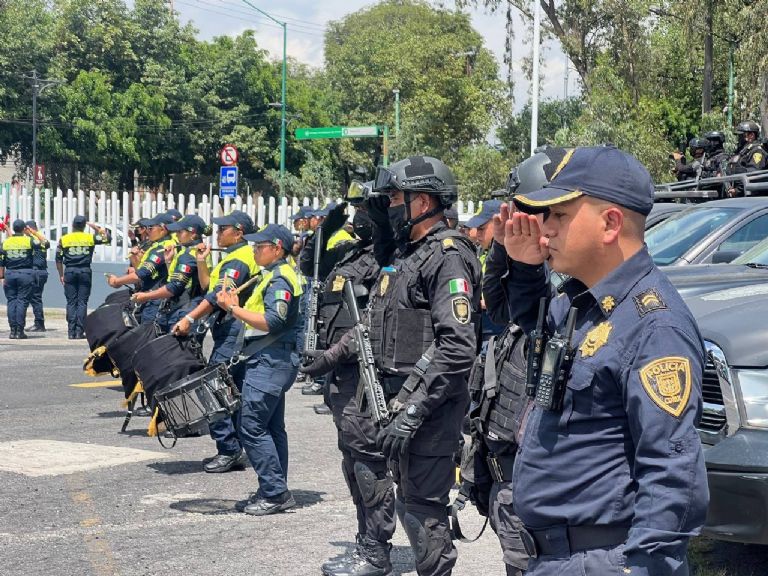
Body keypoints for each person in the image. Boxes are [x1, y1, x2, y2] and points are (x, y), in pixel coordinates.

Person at [498, 145, 708, 575]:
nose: (545, 230)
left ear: (610, 223)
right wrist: (524, 268)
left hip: (601, 560)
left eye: (559, 215)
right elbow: (537, 335)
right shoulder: (581, 301)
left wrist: (639, 568)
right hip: (558, 556)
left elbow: (673, 473)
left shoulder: (655, 325)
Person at [370, 155, 481, 575]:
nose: (392, 206)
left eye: (396, 198)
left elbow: (457, 346)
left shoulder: (447, 256)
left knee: (423, 509)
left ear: (423, 202)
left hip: (431, 409)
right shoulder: (412, 253)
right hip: (407, 403)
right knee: (410, 501)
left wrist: (414, 410)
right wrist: (380, 225)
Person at [299, 198, 395, 576]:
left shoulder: (386, 257)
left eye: (366, 212)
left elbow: (375, 321)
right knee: (353, 463)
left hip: (362, 373)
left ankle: (377, 551)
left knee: (369, 464)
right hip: (339, 376)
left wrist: (332, 356)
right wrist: (325, 228)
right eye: (354, 213)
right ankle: (365, 541)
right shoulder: (346, 253)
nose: (358, 219)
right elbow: (309, 265)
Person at [215, 224, 302, 516]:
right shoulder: (272, 274)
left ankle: (275, 492)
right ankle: (274, 487)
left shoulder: (280, 279)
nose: (254, 251)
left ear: (277, 249)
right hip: (272, 359)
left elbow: (273, 321)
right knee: (272, 427)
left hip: (270, 361)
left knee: (251, 426)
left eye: (260, 246)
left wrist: (232, 309)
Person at [172, 210, 259, 473]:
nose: (218, 234)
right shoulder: (234, 256)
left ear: (239, 232)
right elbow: (208, 286)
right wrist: (202, 261)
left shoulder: (239, 260)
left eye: (223, 229)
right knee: (233, 390)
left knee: (213, 388)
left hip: (234, 330)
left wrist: (189, 318)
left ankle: (229, 449)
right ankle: (238, 446)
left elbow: (214, 298)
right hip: (234, 330)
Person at [130, 215, 211, 329]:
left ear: (193, 234)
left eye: (180, 231)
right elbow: (175, 278)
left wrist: (146, 296)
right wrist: (168, 261)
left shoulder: (191, 254)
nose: (176, 235)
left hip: (185, 309)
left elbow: (174, 287)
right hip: (182, 306)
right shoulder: (188, 251)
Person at [107, 212, 173, 327]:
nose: (148, 231)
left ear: (162, 229)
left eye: (151, 228)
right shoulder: (158, 245)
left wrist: (116, 281)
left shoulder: (162, 248)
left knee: (148, 332)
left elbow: (141, 274)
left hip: (156, 298)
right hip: (153, 295)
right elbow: (142, 271)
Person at [56, 215, 111, 339]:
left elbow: (58, 259)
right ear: (84, 226)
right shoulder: (90, 238)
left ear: (72, 225)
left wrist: (61, 274)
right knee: (82, 302)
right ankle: (79, 332)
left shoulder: (64, 239)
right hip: (84, 271)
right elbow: (107, 238)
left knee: (71, 302)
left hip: (69, 271)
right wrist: (96, 227)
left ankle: (71, 332)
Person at [466, 199, 505, 345]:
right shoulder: (482, 252)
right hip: (481, 326)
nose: (477, 234)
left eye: (482, 229)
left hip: (497, 330)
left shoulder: (509, 255)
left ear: (499, 223)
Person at [1, 219, 42, 339]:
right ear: (24, 229)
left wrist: (2, 277)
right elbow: (44, 242)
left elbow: (1, 261)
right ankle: (19, 331)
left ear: (14, 229)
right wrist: (33, 232)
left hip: (10, 274)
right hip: (25, 274)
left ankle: (12, 331)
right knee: (22, 301)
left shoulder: (6, 242)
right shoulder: (29, 240)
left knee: (11, 302)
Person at [726, 120, 766, 197]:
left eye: (742, 135)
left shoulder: (757, 151)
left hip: (752, 196)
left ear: (751, 135)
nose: (739, 138)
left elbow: (753, 174)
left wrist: (737, 190)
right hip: (737, 193)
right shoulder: (742, 151)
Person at [25, 220, 51, 332]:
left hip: (37, 272)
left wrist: (33, 233)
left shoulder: (36, 239)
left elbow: (46, 243)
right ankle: (38, 323)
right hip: (39, 272)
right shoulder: (35, 239)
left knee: (35, 298)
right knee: (35, 298)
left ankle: (39, 324)